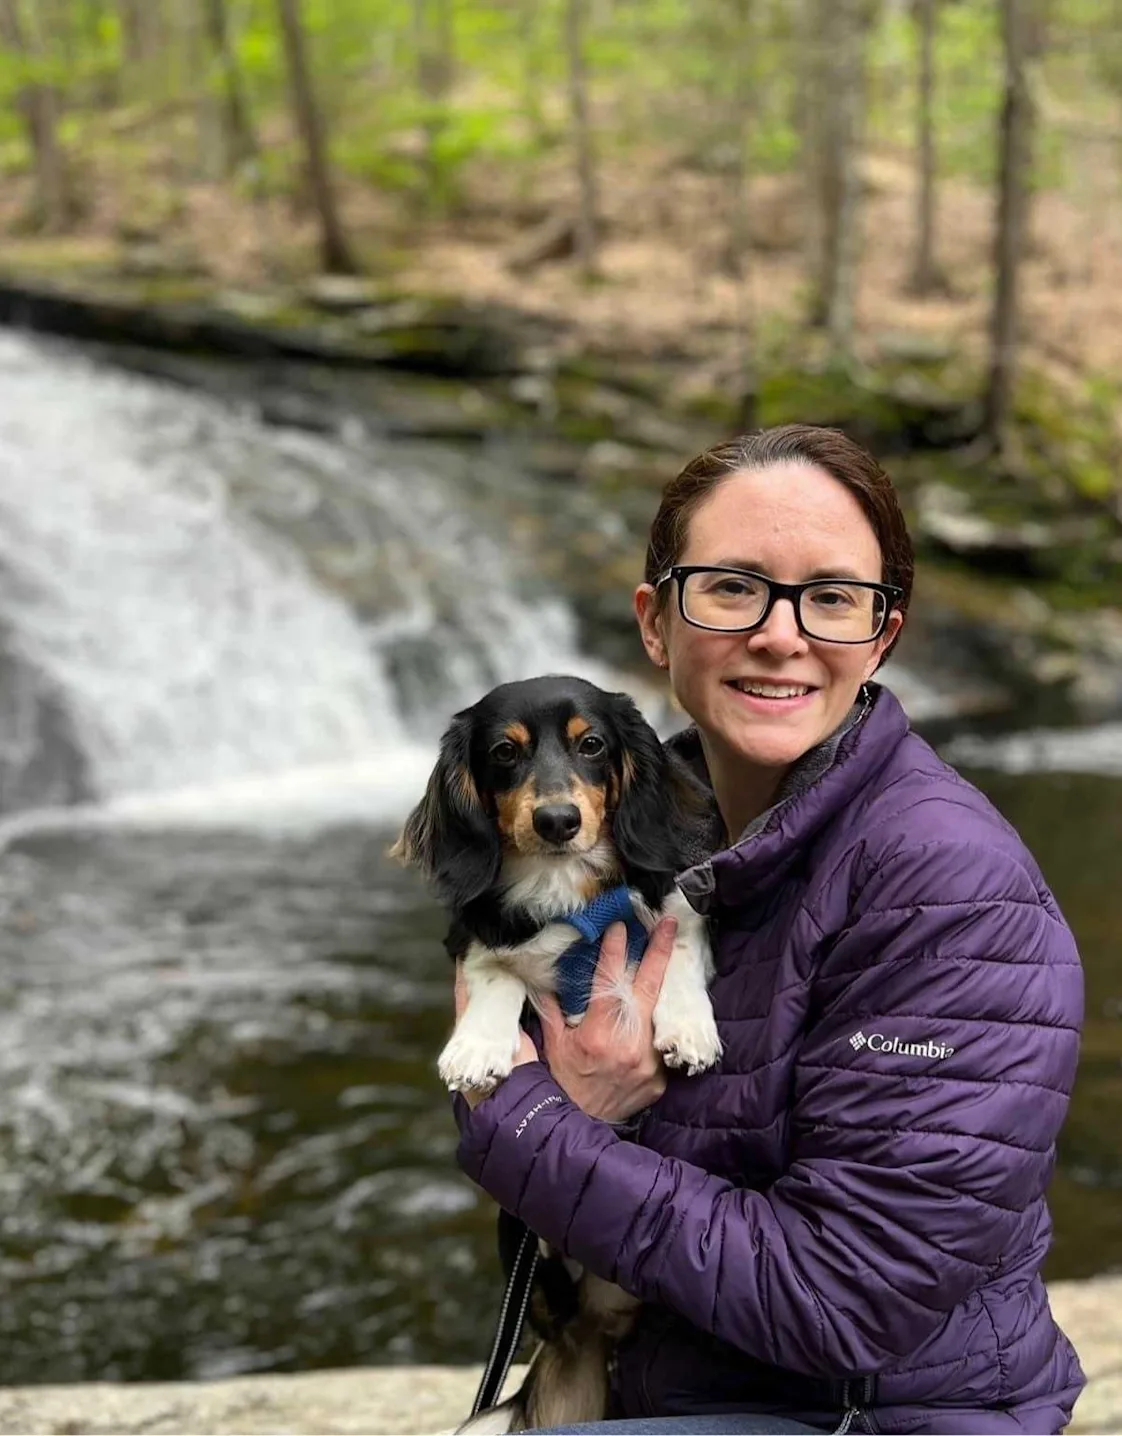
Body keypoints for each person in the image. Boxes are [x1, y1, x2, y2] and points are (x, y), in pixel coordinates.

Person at [452, 424, 1085, 1435]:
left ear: (883, 633)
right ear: (656, 624)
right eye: (734, 585)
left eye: (831, 597)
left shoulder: (949, 887)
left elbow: (848, 1297)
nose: (781, 634)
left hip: (875, 1417)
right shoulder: (616, 838)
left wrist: (528, 1122)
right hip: (684, 1384)